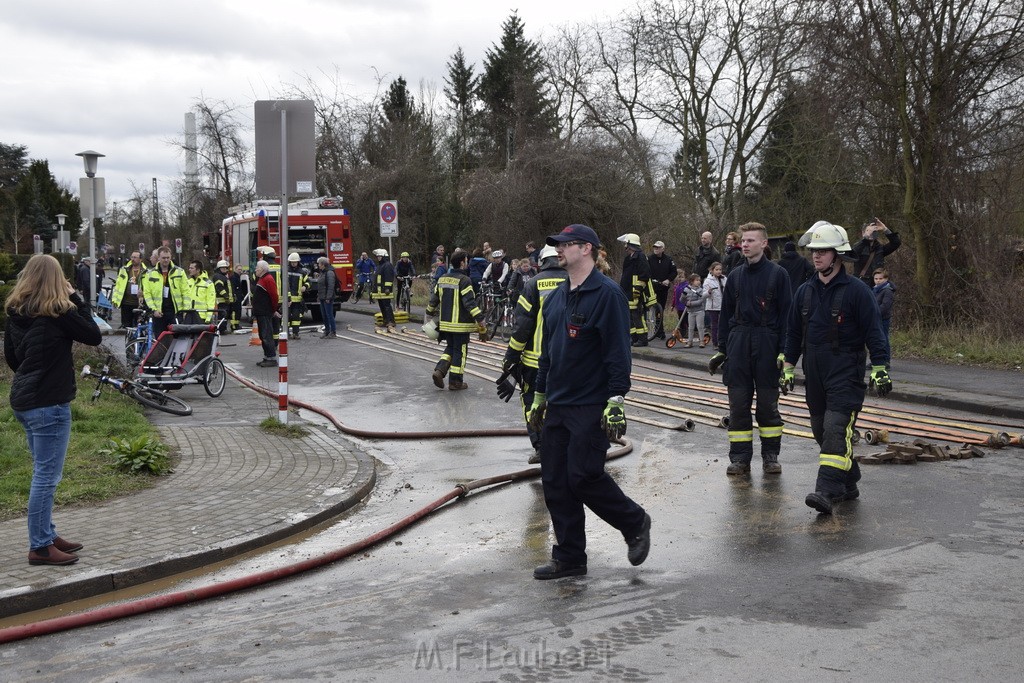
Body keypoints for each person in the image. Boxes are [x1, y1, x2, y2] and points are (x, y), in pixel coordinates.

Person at [526, 224, 651, 580]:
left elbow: (617, 353)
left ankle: (635, 521)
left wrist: (616, 398)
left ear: (586, 249)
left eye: (565, 245)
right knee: (555, 479)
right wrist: (539, 394)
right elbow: (547, 354)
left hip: (591, 404)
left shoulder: (607, 295)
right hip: (559, 405)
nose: (558, 250)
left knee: (583, 476)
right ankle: (569, 557)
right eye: (558, 246)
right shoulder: (556, 298)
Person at [782, 221, 891, 514]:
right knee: (820, 429)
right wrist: (788, 366)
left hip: (846, 368)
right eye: (813, 251)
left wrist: (880, 367)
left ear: (838, 255)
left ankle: (826, 492)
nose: (816, 256)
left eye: (823, 251)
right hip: (814, 370)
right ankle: (849, 480)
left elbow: (874, 332)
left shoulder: (857, 291)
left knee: (835, 428)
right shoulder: (804, 291)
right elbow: (793, 334)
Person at [4, 254, 102, 566]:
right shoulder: (59, 311)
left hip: (24, 401)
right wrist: (76, 297)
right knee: (46, 476)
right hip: (49, 404)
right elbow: (94, 334)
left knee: (42, 472)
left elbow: (13, 360)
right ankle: (41, 547)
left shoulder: (16, 312)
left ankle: (47, 533)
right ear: (57, 280)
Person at [709, 223, 792, 476]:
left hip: (767, 342)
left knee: (767, 406)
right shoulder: (734, 276)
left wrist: (784, 352)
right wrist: (722, 349)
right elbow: (725, 316)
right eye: (743, 240)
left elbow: (788, 316)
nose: (744, 244)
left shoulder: (779, 275)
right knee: (738, 406)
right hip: (739, 342)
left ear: (764, 244)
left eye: (750, 240)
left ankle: (770, 456)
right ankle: (740, 459)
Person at [501, 245, 566, 463]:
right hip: (568, 360)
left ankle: (541, 446)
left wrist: (511, 356)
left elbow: (522, 327)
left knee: (531, 401)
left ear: (541, 262)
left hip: (535, 360)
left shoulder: (532, 284)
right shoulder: (576, 280)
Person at [425, 250, 486, 390]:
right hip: (461, 325)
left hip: (446, 324)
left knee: (450, 348)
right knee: (460, 351)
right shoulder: (465, 280)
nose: (467, 263)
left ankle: (439, 371)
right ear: (462, 263)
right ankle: (455, 381)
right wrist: (480, 319)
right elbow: (470, 303)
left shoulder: (442, 279)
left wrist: (429, 312)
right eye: (466, 261)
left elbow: (433, 300)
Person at [141, 246, 189, 340]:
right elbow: (147, 294)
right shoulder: (150, 274)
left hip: (175, 312)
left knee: (178, 339)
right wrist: (154, 310)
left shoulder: (180, 272)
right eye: (163, 258)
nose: (166, 260)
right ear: (158, 258)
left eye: (168, 257)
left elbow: (186, 292)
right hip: (159, 313)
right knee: (160, 341)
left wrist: (185, 310)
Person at [617, 233, 652, 347]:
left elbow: (644, 274)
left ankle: (643, 339)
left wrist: (638, 289)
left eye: (626, 244)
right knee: (629, 316)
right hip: (627, 291)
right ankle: (634, 338)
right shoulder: (629, 258)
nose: (624, 247)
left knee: (637, 315)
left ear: (630, 244)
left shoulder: (640, 257)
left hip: (635, 291)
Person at [851, 218, 902, 287]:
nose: (871, 233)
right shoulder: (859, 247)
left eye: (874, 231)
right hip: (861, 286)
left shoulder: (880, 249)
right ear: (863, 233)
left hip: (877, 286)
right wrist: (866, 238)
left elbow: (896, 243)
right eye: (869, 230)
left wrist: (885, 229)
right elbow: (852, 254)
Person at [251, 260, 281, 367]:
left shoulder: (267, 279)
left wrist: (273, 310)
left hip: (265, 312)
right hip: (261, 312)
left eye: (257, 268)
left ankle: (271, 358)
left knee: (267, 335)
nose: (255, 270)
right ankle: (267, 356)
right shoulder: (262, 279)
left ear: (262, 269)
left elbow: (274, 296)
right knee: (263, 335)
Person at [648, 240, 679, 340]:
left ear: (663, 249)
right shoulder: (649, 259)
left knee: (660, 309)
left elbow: (674, 272)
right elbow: (645, 271)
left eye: (658, 247)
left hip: (663, 288)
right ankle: (653, 331)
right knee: (652, 309)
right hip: (651, 288)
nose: (656, 249)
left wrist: (668, 280)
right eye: (655, 247)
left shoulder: (668, 259)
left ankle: (660, 331)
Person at [110, 250, 146, 329]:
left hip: (138, 304)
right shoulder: (124, 270)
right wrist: (115, 300)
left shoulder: (146, 271)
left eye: (135, 257)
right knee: (126, 327)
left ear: (140, 259)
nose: (133, 259)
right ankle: (128, 341)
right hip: (126, 303)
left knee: (139, 327)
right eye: (132, 257)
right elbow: (118, 285)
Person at [873, 268, 895, 369]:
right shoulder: (875, 289)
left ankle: (886, 360)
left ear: (886, 279)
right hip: (874, 319)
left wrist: (875, 314)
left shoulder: (887, 291)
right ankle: (877, 360)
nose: (878, 280)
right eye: (876, 278)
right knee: (875, 340)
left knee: (884, 339)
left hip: (883, 319)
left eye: (880, 278)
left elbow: (885, 306)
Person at [371, 248, 396, 333]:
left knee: (387, 306)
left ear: (384, 256)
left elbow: (389, 278)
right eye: (377, 256)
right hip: (379, 291)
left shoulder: (387, 265)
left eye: (380, 256)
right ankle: (386, 321)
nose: (378, 258)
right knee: (382, 306)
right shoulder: (379, 266)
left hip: (385, 291)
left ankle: (390, 321)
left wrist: (387, 288)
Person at [183, 259, 217, 324]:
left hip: (201, 316)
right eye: (189, 268)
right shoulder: (188, 282)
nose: (189, 269)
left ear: (198, 270)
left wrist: (208, 318)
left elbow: (210, 301)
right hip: (189, 315)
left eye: (192, 268)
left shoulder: (208, 284)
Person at [702, 262, 726, 348]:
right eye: (717, 270)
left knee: (723, 324)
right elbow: (703, 295)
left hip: (723, 305)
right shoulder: (707, 281)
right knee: (714, 325)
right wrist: (708, 292)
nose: (719, 271)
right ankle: (715, 342)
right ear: (712, 270)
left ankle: (723, 341)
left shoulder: (724, 279)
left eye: (720, 269)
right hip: (713, 306)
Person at [285, 252, 309, 339]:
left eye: (295, 262)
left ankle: (296, 333)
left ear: (298, 262)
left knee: (296, 318)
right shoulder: (285, 271)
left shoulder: (302, 272)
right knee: (286, 318)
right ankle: (286, 333)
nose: (293, 264)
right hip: (287, 299)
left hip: (297, 300)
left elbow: (308, 282)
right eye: (292, 262)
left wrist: (305, 286)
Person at [683, 273, 708, 347]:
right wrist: (685, 301)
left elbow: (700, 301)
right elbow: (682, 299)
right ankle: (690, 342)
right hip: (691, 311)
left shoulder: (700, 290)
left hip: (699, 311)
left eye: (699, 280)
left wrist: (691, 303)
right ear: (691, 281)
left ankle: (702, 341)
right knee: (690, 327)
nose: (699, 282)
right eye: (697, 280)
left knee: (700, 326)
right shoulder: (687, 289)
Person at [316, 256, 338, 338]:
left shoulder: (329, 273)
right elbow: (321, 285)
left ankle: (333, 331)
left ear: (323, 264)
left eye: (319, 264)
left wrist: (328, 297)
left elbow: (330, 286)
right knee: (324, 315)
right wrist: (319, 295)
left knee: (329, 315)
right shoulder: (323, 272)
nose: (318, 265)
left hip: (327, 298)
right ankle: (327, 331)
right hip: (322, 297)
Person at [211, 260, 235, 331]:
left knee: (225, 316)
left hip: (225, 301)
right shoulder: (218, 276)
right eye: (223, 268)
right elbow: (219, 287)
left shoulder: (223, 276)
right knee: (222, 316)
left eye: (226, 268)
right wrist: (225, 296)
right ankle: (221, 329)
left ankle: (223, 329)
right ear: (219, 269)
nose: (226, 270)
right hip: (221, 301)